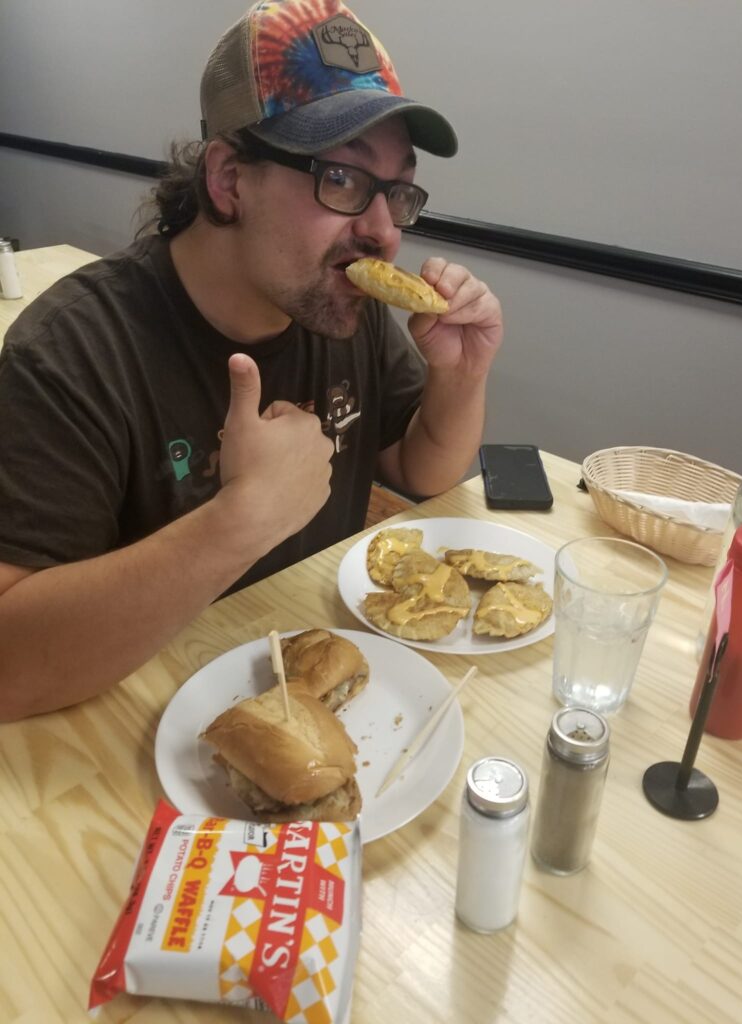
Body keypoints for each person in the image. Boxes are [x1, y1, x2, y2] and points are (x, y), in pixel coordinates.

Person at [0, 0, 502, 721]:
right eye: (343, 180)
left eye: (397, 191)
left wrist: (460, 377)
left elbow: (418, 469)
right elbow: (10, 671)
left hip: (318, 698)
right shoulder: (76, 350)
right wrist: (243, 519)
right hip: (129, 731)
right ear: (229, 179)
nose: (383, 230)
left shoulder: (339, 305)